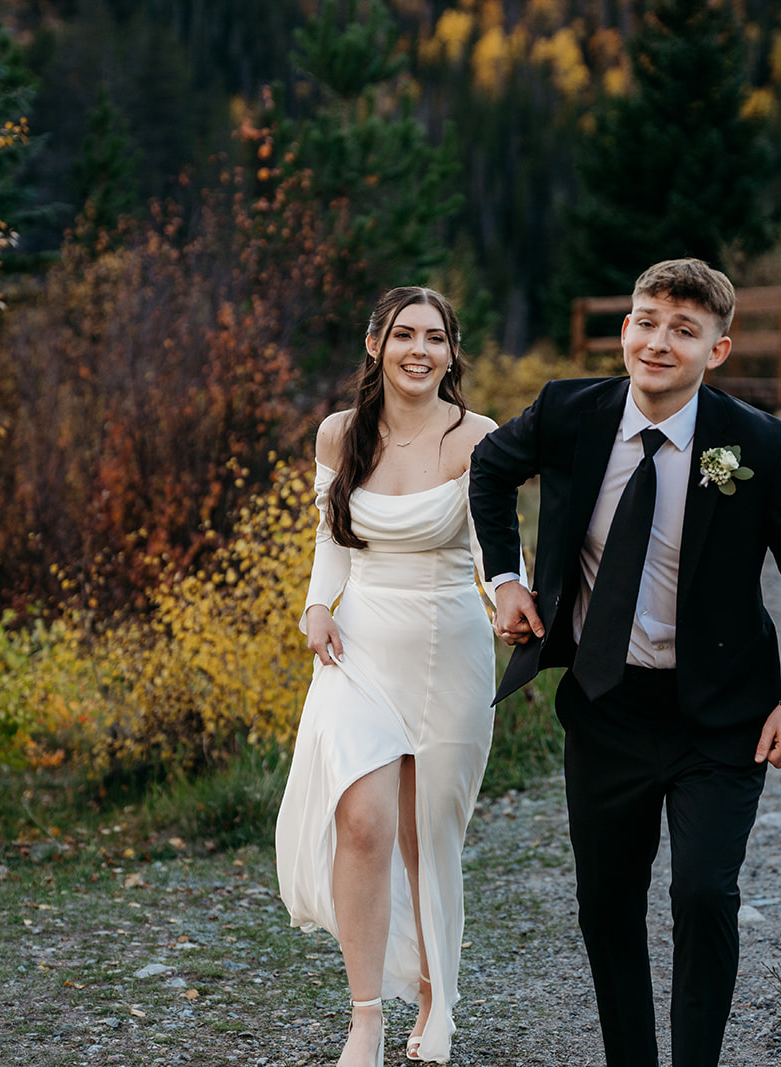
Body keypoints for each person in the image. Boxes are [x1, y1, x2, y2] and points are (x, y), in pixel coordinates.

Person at [469, 258, 781, 1067]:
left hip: (723, 714)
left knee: (703, 893)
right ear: (625, 329)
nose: (659, 341)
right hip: (606, 704)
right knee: (607, 905)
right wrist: (505, 580)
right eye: (647, 320)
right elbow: (491, 469)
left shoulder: (759, 446)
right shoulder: (571, 410)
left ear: (718, 349)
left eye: (684, 329)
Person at [276, 286, 506, 1066]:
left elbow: (489, 545)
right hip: (361, 645)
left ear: (451, 351)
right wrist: (318, 605)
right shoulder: (341, 434)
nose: (419, 349)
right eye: (403, 334)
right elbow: (331, 533)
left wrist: (510, 594)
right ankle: (366, 1015)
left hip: (450, 642)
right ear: (374, 344)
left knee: (427, 833)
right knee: (365, 821)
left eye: (434, 337)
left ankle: (439, 992)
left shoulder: (478, 436)